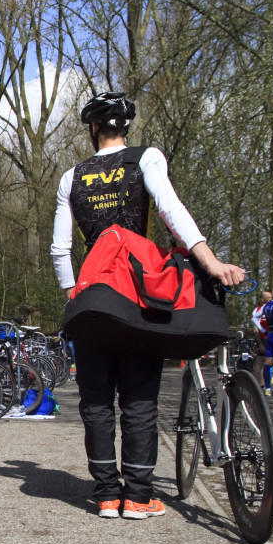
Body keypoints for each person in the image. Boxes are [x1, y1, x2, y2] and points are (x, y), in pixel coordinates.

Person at [50, 91, 245, 520]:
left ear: (94, 129)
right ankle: (138, 496)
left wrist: (74, 297)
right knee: (138, 398)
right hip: (138, 296)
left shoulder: (72, 177)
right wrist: (209, 261)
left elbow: (60, 249)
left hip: (93, 295)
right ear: (124, 128)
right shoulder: (145, 158)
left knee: (96, 401)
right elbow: (170, 208)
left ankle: (104, 494)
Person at [251, 290, 273, 386]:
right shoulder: (257, 310)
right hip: (263, 339)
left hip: (270, 338)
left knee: (265, 362)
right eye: (268, 297)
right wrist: (260, 343)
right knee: (262, 361)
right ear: (262, 299)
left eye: (271, 297)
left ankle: (262, 384)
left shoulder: (272, 309)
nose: (270, 299)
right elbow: (255, 329)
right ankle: (260, 384)